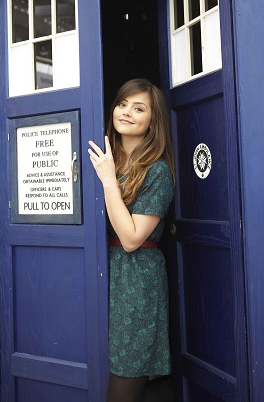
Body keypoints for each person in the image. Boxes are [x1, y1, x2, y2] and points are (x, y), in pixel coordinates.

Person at [88, 78, 175, 402]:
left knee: (124, 380)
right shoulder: (103, 156)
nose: (126, 112)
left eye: (139, 108)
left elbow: (131, 239)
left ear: (153, 121)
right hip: (101, 273)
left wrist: (109, 180)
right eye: (122, 104)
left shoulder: (157, 172)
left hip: (136, 280)